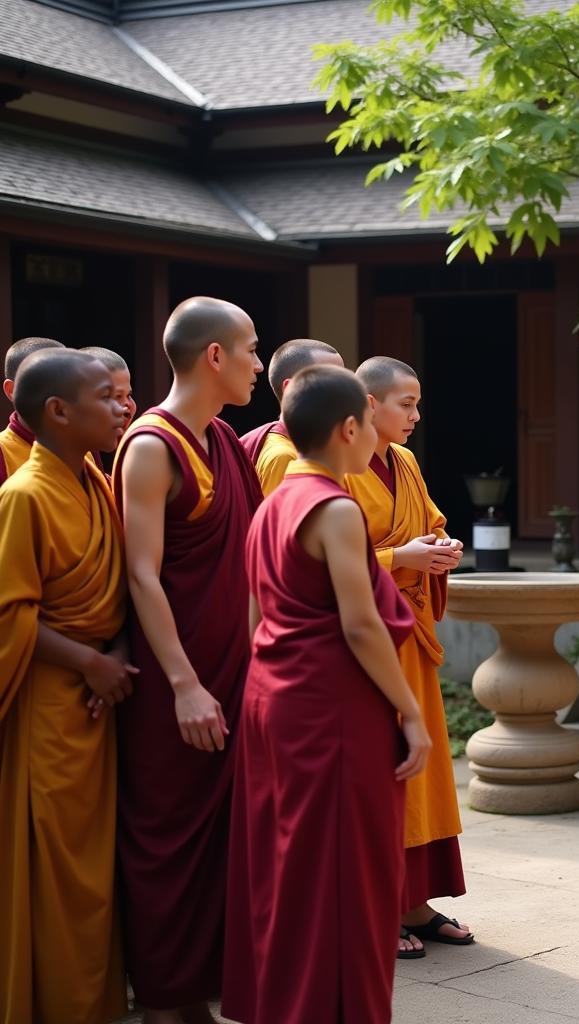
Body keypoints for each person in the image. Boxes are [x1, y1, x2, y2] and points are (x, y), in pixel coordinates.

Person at [222, 364, 431, 1024]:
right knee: (345, 874)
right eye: (371, 421)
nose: (379, 434)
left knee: (289, 868)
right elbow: (362, 622)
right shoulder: (335, 506)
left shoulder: (274, 500)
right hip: (333, 709)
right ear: (350, 428)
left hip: (272, 701)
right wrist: (411, 710)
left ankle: (282, 1004)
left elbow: (256, 616)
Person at [113, 297, 264, 1024]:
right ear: (215, 357)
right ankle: (164, 1002)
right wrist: (182, 685)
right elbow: (142, 573)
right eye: (251, 350)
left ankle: (197, 994)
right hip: (180, 681)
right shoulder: (152, 445)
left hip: (234, 671)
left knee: (223, 845)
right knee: (167, 840)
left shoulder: (228, 443)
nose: (258, 365)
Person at [0, 349, 135, 1023]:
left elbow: (119, 588)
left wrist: (114, 651)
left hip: (98, 702)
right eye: (105, 398)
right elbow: (8, 613)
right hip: (51, 706)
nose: (120, 408)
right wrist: (89, 663)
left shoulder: (97, 479)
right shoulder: (23, 495)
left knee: (96, 874)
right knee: (55, 873)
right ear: (58, 411)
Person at [347, 356, 471, 958]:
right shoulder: (334, 468)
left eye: (417, 404)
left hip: (410, 631)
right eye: (406, 404)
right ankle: (377, 905)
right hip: (366, 638)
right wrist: (401, 560)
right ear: (368, 404)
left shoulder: (406, 462)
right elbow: (321, 558)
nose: (417, 416)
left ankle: (414, 902)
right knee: (382, 768)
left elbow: (425, 519)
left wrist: (439, 547)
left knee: (421, 773)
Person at [239, 338, 344, 495]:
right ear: (291, 389)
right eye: (330, 381)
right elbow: (280, 519)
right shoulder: (284, 457)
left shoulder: (312, 449)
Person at [0, 336, 64, 485]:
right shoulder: (4, 452)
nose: (63, 394)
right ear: (12, 390)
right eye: (48, 384)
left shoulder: (82, 446)